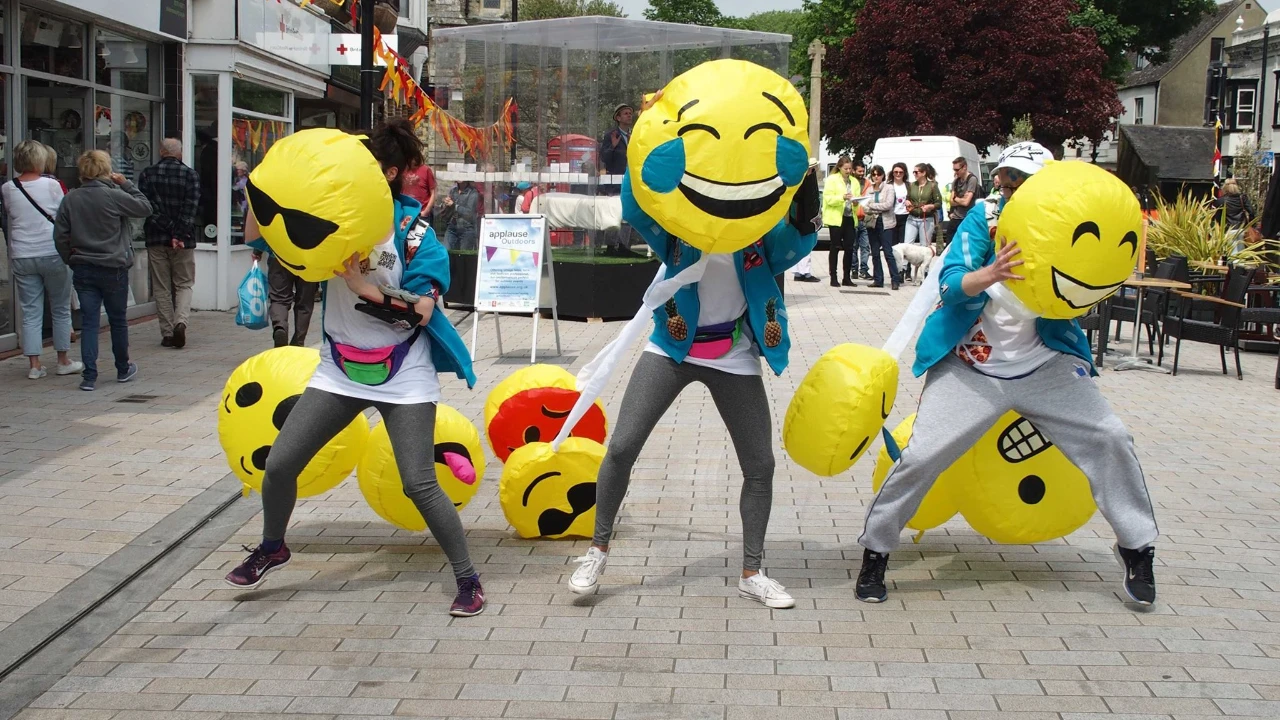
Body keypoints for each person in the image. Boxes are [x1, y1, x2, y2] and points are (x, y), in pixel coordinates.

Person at [855, 142, 1159, 607]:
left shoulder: (1067, 226)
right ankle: (876, 550)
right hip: (973, 367)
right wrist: (991, 273)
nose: (1010, 187)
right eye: (1006, 178)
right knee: (922, 455)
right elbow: (951, 283)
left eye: (1022, 181)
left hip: (1046, 364)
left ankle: (1137, 547)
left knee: (1111, 437)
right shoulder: (984, 220)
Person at [226, 119, 485, 617]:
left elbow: (424, 310)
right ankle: (273, 545)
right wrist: (266, 181)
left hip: (404, 371)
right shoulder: (328, 217)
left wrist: (363, 286)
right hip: (339, 368)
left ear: (387, 174)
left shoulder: (416, 236)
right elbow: (258, 233)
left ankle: (468, 579)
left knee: (418, 482)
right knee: (279, 466)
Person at [569, 116, 821, 609]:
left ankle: (752, 571)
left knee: (760, 465)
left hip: (735, 355)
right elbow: (636, 208)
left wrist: (804, 191)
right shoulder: (679, 225)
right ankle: (597, 550)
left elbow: (797, 243)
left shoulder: (758, 232)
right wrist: (647, 149)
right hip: (672, 347)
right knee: (621, 446)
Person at [54, 150, 153, 392]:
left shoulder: (71, 199)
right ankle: (122, 368)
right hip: (113, 266)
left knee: (89, 323)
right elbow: (145, 207)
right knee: (118, 320)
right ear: (106, 170)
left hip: (84, 266)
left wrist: (71, 258)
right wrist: (127, 184)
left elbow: (60, 236)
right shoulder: (113, 195)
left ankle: (89, 375)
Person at [4, 140, 81, 380]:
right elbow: (63, 215)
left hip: (22, 254)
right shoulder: (52, 185)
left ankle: (34, 366)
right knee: (59, 308)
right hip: (52, 251)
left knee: (30, 311)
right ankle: (62, 360)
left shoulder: (7, 188)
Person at [138, 138, 201, 349]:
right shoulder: (190, 175)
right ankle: (180, 322)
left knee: (161, 287)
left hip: (156, 238)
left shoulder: (147, 174)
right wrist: (179, 233)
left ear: (160, 151)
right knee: (184, 284)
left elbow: (148, 208)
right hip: (184, 241)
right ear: (180, 153)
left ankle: (167, 333)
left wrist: (168, 229)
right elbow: (191, 208)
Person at [860, 165, 901, 291]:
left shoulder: (889, 188)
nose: (876, 177)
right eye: (873, 174)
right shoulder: (869, 189)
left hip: (886, 223)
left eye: (878, 174)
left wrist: (872, 206)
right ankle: (878, 279)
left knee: (888, 252)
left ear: (883, 175)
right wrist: (872, 206)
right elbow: (865, 206)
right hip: (872, 223)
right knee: (875, 253)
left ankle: (895, 279)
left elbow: (888, 205)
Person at [822, 156, 861, 288]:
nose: (848, 171)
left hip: (850, 217)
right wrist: (842, 197)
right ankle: (833, 276)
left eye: (850, 168)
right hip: (836, 218)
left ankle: (847, 277)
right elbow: (828, 199)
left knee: (850, 248)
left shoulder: (854, 182)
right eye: (846, 168)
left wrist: (856, 202)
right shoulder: (832, 179)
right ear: (839, 167)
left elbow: (857, 201)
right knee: (835, 247)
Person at [903, 163, 942, 280]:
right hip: (912, 217)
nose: (914, 174)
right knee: (907, 245)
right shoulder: (911, 185)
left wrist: (930, 206)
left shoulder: (932, 186)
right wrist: (907, 202)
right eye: (913, 172)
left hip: (926, 219)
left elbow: (939, 203)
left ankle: (924, 273)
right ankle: (905, 270)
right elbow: (908, 198)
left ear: (924, 173)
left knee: (924, 247)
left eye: (917, 172)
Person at [947, 157, 981, 247]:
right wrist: (959, 199)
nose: (955, 172)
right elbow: (951, 201)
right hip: (955, 217)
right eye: (954, 169)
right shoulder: (956, 181)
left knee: (965, 246)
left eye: (957, 169)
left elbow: (966, 202)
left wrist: (956, 198)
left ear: (964, 167)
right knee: (949, 246)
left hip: (967, 217)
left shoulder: (972, 179)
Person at [598, 103, 634, 185]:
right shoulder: (611, 135)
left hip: (631, 180)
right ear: (618, 118)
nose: (629, 116)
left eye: (630, 114)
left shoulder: (634, 135)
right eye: (626, 113)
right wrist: (612, 146)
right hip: (615, 182)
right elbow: (603, 158)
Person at [443, 180, 480, 250]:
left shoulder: (473, 192)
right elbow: (448, 209)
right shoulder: (453, 191)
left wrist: (454, 206)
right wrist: (446, 203)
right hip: (452, 227)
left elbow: (469, 213)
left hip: (467, 228)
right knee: (445, 251)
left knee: (463, 255)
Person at [852, 162, 872, 280]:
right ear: (854, 171)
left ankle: (863, 269)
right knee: (853, 246)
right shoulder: (850, 182)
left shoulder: (867, 183)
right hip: (854, 218)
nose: (861, 173)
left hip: (865, 219)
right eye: (859, 171)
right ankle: (854, 269)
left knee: (865, 247)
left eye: (863, 171)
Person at [889, 162, 909, 248]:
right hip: (892, 216)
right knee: (893, 244)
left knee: (904, 243)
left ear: (904, 173)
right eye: (896, 172)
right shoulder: (888, 185)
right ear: (892, 173)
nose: (898, 174)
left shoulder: (908, 185)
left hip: (905, 216)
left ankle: (906, 262)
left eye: (901, 172)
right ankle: (894, 261)